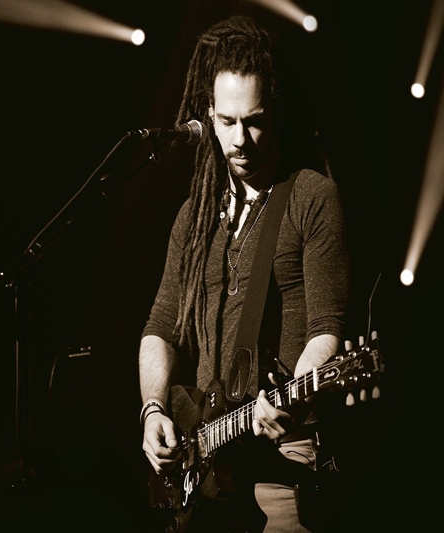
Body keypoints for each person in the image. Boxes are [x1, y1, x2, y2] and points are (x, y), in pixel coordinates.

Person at [138, 15, 350, 532]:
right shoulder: (195, 216)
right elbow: (160, 326)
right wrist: (154, 410)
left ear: (275, 110)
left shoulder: (311, 197)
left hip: (284, 455)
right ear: (208, 116)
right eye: (227, 122)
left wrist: (294, 394)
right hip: (207, 463)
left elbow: (327, 326)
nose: (240, 140)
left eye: (254, 121)